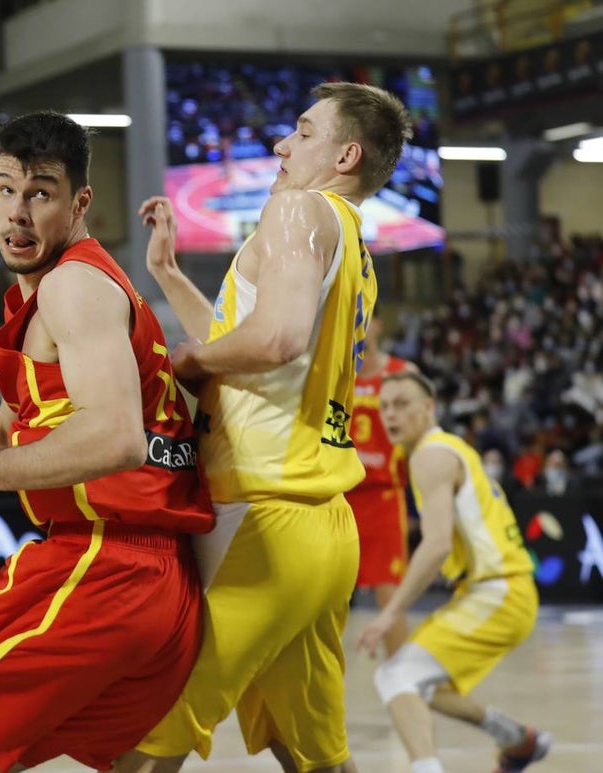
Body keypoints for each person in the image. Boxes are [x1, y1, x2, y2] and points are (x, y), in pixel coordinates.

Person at [0, 111, 215, 772]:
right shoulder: (49, 292)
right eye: (6, 190)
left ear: (80, 203)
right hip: (148, 578)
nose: (17, 213)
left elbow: (117, 437)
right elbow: (11, 423)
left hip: (106, 567)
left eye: (41, 193)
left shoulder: (73, 286)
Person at [117, 82, 413, 773]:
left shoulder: (297, 209)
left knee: (153, 726)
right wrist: (169, 274)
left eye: (303, 132)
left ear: (345, 155)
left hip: (264, 514)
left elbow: (276, 339)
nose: (281, 145)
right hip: (324, 525)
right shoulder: (353, 243)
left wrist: (187, 361)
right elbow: (250, 343)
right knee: (312, 754)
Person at [357, 371, 550, 773]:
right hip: (500, 591)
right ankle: (518, 740)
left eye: (402, 404)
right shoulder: (450, 448)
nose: (390, 414)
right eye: (384, 406)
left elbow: (437, 543)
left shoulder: (430, 456)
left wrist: (390, 613)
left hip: (499, 591)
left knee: (395, 677)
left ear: (428, 407)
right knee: (426, 688)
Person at [345, 310, 419, 658]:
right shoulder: (333, 372)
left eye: (362, 320)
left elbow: (421, 435)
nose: (356, 327)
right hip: (338, 496)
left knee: (390, 593)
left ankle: (400, 671)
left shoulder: (402, 374)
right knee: (327, 595)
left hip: (383, 496)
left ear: (377, 325)